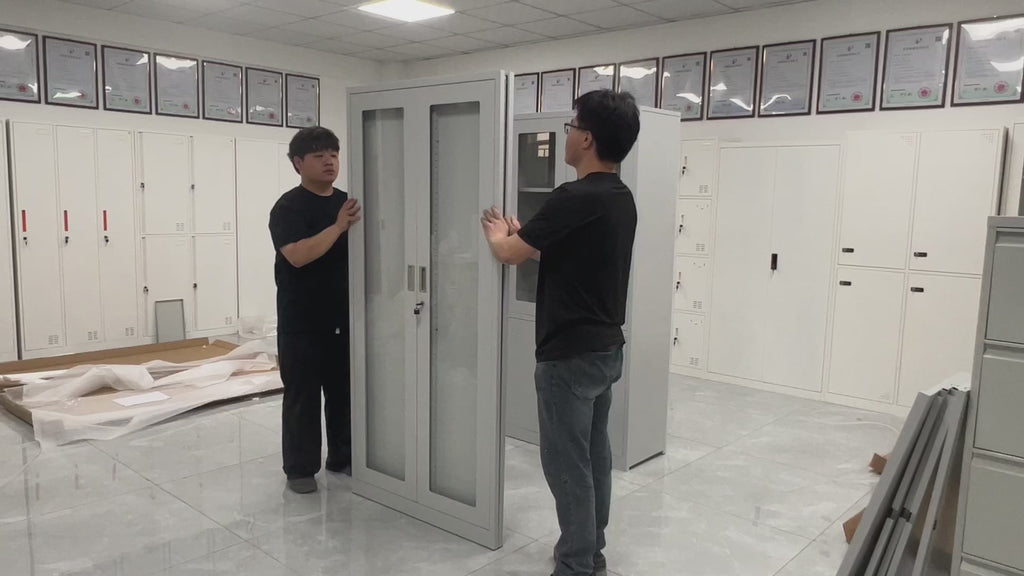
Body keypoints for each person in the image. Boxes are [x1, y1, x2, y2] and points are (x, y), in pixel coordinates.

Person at [481, 90, 640, 576]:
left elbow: (509, 255)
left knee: (567, 465)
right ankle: (591, 550)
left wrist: (500, 237)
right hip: (604, 350)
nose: (568, 135)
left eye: (572, 127)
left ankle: (575, 564)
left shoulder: (574, 196)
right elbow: (568, 257)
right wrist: (528, 236)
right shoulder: (619, 197)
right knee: (593, 455)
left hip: (568, 355)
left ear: (586, 138)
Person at [269, 127, 361, 495]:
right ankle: (300, 469)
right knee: (302, 396)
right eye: (319, 155)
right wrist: (338, 227)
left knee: (344, 393)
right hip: (301, 320)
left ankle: (343, 456)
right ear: (298, 163)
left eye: (334, 155)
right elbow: (298, 255)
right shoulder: (288, 207)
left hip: (344, 317)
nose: (329, 162)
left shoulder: (348, 202)